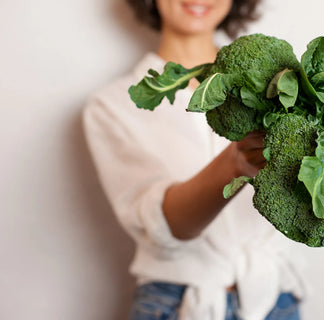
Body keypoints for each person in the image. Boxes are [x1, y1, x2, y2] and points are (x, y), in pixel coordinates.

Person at [83, 0, 306, 319]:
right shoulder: (112, 106)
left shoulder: (283, 85)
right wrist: (235, 163)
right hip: (177, 304)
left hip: (276, 298)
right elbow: (165, 229)